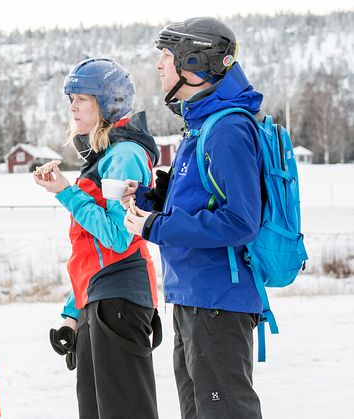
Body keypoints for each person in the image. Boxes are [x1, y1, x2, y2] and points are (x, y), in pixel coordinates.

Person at [122, 17, 264, 419]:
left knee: (224, 411)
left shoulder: (227, 130)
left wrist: (155, 227)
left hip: (218, 299)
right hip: (192, 295)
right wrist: (151, 200)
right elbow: (200, 203)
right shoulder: (199, 126)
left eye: (166, 57)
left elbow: (240, 220)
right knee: (198, 411)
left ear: (196, 62)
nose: (159, 65)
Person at [35, 58, 162, 418]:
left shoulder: (124, 156)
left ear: (109, 105)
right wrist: (71, 315)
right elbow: (91, 253)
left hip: (119, 297)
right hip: (100, 297)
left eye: (83, 99)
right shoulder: (105, 156)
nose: (73, 107)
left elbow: (116, 237)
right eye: (71, 98)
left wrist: (66, 192)